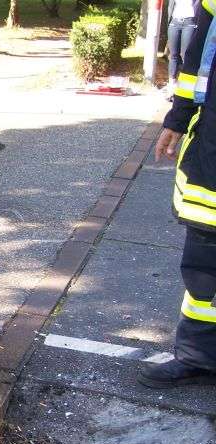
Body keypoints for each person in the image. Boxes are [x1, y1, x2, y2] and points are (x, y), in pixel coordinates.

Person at [138, 0, 216, 388]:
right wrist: (178, 118)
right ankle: (199, 357)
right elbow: (197, 61)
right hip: (212, 152)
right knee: (202, 264)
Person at [167, 0, 199, 100]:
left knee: (186, 55)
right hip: (175, 21)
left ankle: (185, 90)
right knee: (173, 55)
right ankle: (171, 88)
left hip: (189, 22)